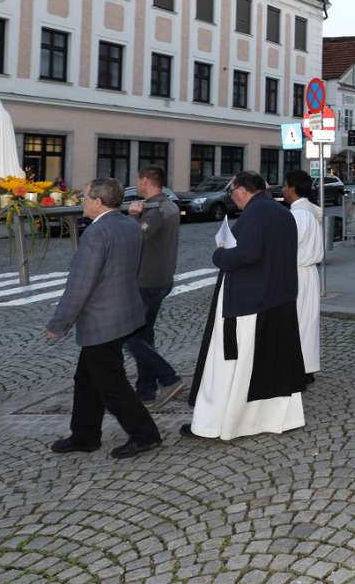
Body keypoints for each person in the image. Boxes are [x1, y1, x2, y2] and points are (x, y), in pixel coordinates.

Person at [45, 178, 162, 459]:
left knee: (111, 383)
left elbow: (81, 284)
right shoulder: (128, 224)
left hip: (102, 320)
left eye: (85, 197)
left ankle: (145, 434)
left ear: (98, 201)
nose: (82, 202)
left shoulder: (96, 234)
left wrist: (59, 324)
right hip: (123, 312)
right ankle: (84, 435)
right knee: (86, 379)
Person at [185, 172, 307, 439]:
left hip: (248, 302)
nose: (232, 197)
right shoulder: (281, 211)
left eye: (232, 192)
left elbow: (247, 254)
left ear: (241, 190)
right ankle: (273, 418)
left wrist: (220, 254)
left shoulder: (255, 214)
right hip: (278, 298)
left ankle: (220, 422)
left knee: (234, 365)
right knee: (271, 365)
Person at [123, 166, 183, 407]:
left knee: (130, 337)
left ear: (146, 181)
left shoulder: (156, 209)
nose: (137, 183)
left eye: (138, 179)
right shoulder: (169, 204)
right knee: (144, 335)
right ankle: (145, 389)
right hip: (161, 278)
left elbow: (135, 238)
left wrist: (133, 217)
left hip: (147, 281)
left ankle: (168, 377)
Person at [284, 170, 325, 386]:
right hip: (309, 272)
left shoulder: (297, 215)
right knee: (307, 322)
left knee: (297, 321)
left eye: (285, 185)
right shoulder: (310, 211)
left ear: (291, 188)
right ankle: (306, 367)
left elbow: (288, 248)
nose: (283, 190)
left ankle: (298, 368)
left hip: (297, 273)